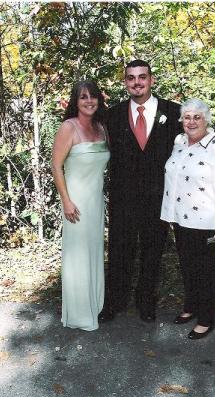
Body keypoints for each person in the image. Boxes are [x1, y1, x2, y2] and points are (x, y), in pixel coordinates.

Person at [100, 59, 181, 322]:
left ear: (151, 80)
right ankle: (115, 301)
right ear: (125, 82)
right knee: (120, 249)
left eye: (142, 77)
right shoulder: (112, 115)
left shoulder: (174, 112)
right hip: (123, 197)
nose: (137, 82)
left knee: (152, 250)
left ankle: (146, 301)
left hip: (159, 197)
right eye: (131, 78)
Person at [161, 98, 215, 339]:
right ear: (181, 120)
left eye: (197, 117)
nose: (191, 122)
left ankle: (206, 318)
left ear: (206, 120)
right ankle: (191, 306)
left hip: (206, 222)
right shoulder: (179, 143)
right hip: (181, 220)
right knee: (187, 267)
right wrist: (169, 214)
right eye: (187, 117)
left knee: (206, 270)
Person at [52, 80, 110, 331]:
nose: (89, 101)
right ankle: (78, 314)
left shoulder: (101, 128)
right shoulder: (69, 127)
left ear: (99, 100)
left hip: (95, 202)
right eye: (83, 97)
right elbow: (56, 166)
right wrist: (66, 201)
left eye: (93, 96)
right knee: (77, 256)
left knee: (93, 253)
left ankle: (93, 306)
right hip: (75, 203)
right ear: (75, 101)